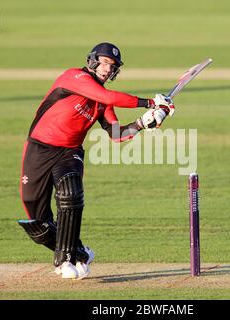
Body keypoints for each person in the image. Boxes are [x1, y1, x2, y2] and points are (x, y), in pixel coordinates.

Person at [17, 42, 175, 280]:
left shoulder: (102, 102)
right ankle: (80, 252)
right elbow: (108, 95)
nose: (106, 68)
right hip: (39, 148)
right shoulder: (74, 76)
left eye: (111, 66)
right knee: (37, 224)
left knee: (70, 194)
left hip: (69, 152)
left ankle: (64, 260)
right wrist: (152, 103)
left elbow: (116, 134)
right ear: (92, 60)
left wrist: (144, 122)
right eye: (103, 62)